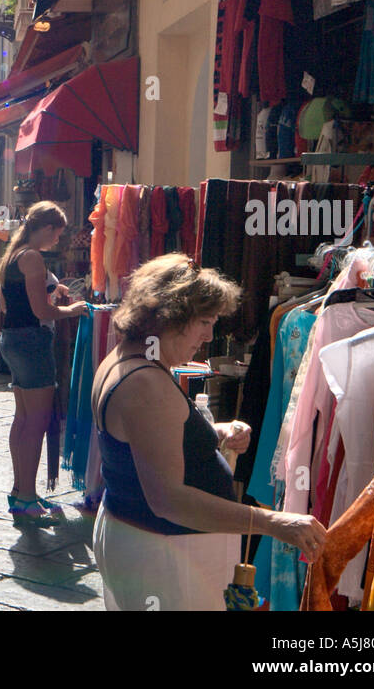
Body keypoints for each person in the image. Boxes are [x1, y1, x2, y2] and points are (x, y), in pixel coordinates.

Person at [91, 253, 328, 611]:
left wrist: (213, 433)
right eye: (204, 321)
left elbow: (148, 441)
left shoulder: (131, 360)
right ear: (167, 316)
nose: (208, 336)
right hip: (164, 556)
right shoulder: (146, 383)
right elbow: (169, 500)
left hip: (152, 547)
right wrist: (272, 522)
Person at [0, 202, 87, 520]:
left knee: (23, 418)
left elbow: (15, 303)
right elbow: (41, 311)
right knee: (35, 422)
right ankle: (25, 496)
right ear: (47, 228)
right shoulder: (33, 257)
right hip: (32, 342)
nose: (57, 242)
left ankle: (21, 490)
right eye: (57, 235)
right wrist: (72, 311)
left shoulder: (14, 253)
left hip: (12, 340)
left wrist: (53, 286)